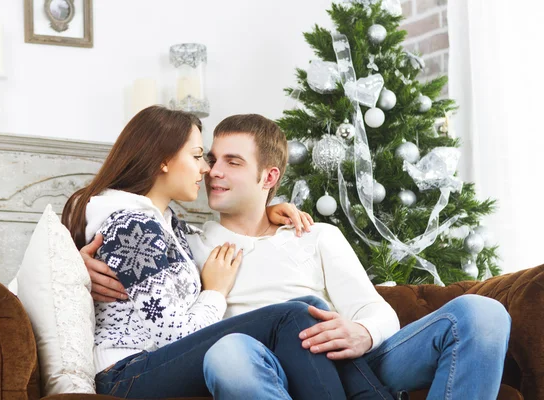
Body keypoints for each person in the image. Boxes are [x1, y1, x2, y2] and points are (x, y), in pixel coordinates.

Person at [85, 112, 512, 400]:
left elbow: (377, 311)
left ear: (268, 176)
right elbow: (131, 232)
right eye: (209, 158)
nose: (212, 171)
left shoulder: (314, 234)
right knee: (228, 352)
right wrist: (81, 265)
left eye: (231, 162)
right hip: (262, 366)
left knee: (483, 314)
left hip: (351, 360)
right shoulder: (188, 242)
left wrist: (361, 333)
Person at [63, 106, 395, 399]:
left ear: (268, 177)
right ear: (163, 161)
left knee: (309, 308)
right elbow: (172, 335)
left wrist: (270, 210)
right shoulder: (135, 225)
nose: (207, 170)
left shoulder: (165, 224)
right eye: (198, 157)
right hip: (128, 372)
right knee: (296, 313)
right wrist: (215, 293)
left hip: (147, 363)